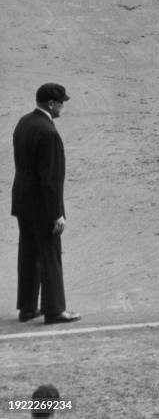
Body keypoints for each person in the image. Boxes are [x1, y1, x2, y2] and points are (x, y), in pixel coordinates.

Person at [11, 83, 81, 325]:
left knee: (28, 254)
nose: (63, 106)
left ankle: (28, 308)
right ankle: (54, 310)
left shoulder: (24, 123)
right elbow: (50, 179)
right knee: (50, 256)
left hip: (23, 202)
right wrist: (57, 214)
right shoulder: (49, 133)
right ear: (51, 104)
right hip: (42, 207)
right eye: (61, 102)